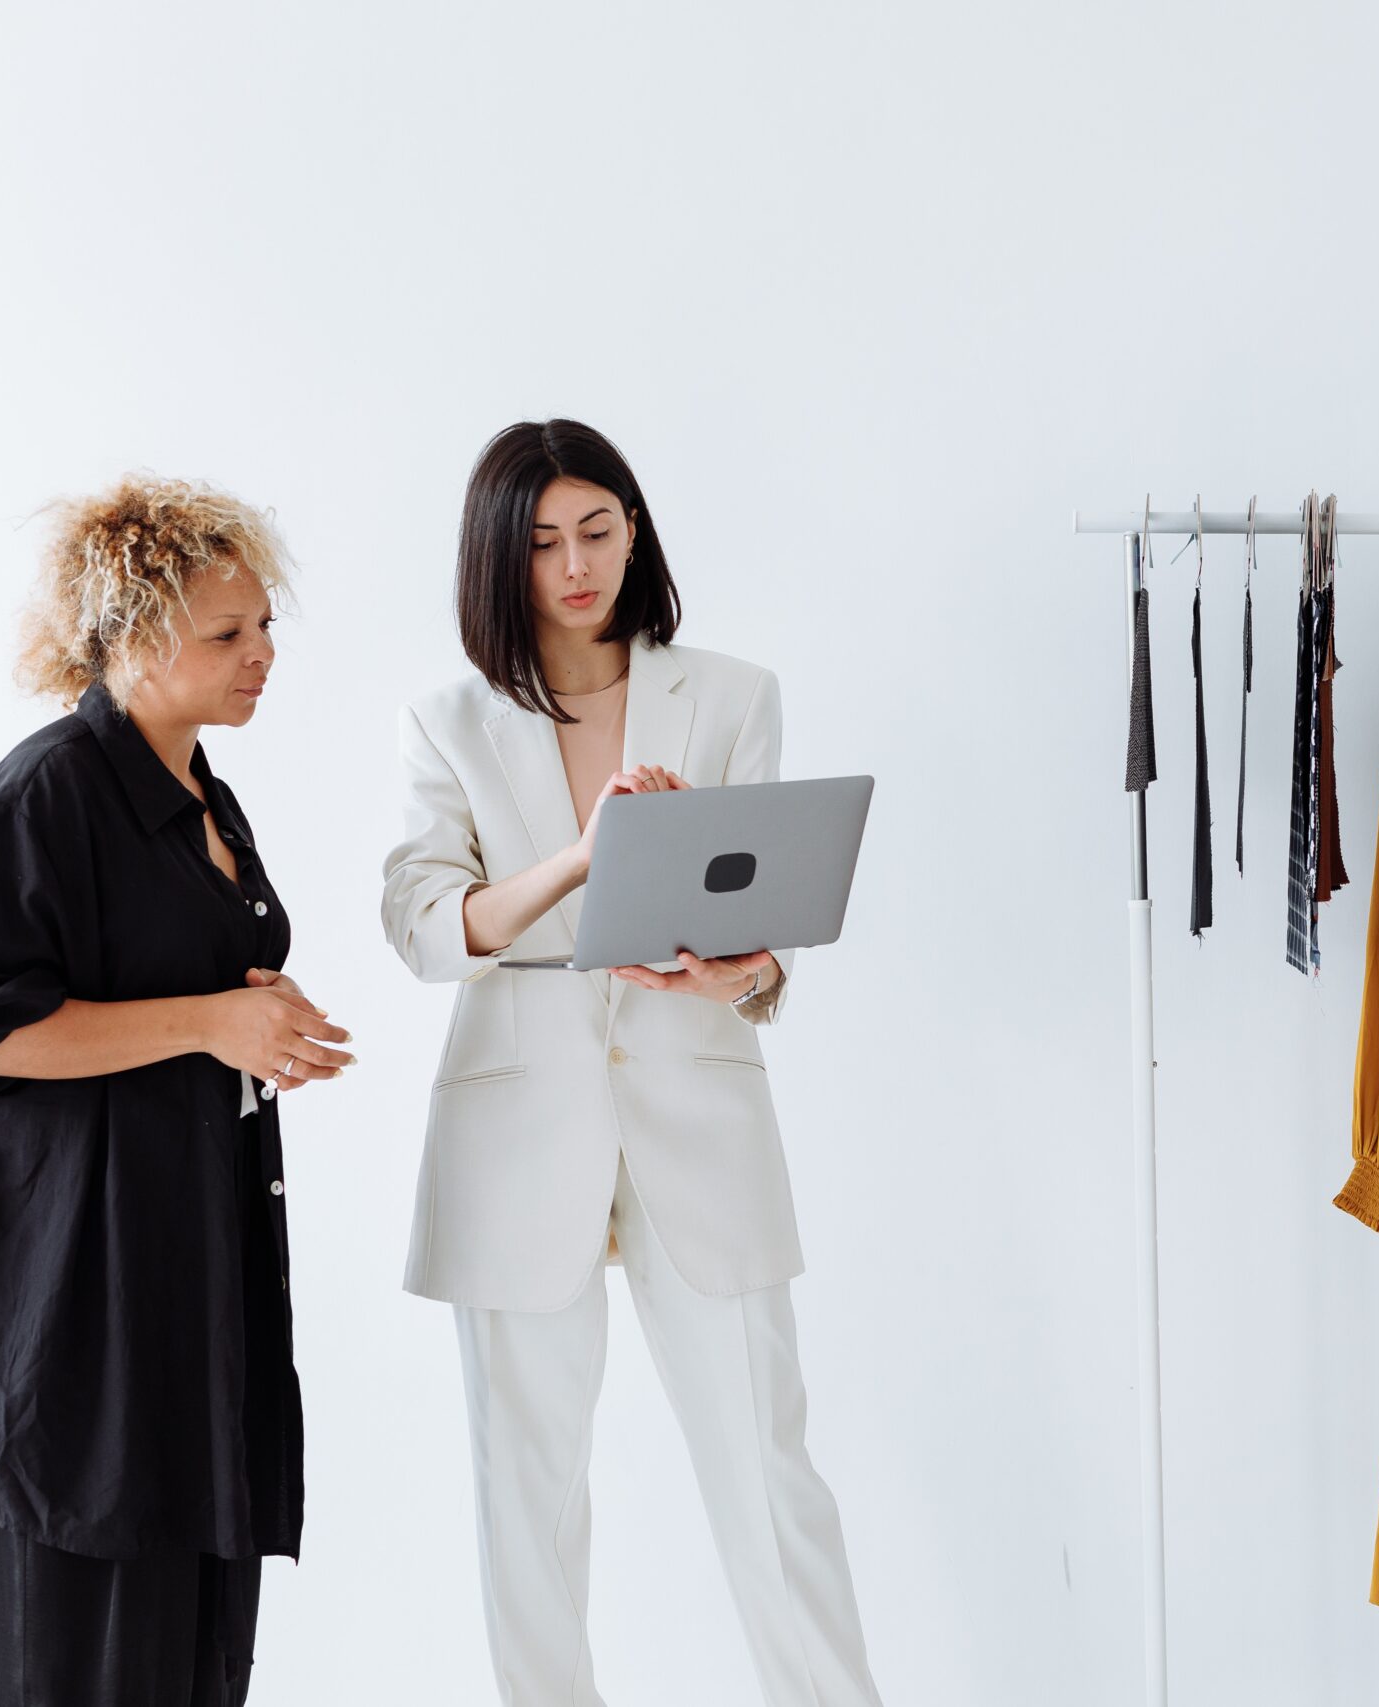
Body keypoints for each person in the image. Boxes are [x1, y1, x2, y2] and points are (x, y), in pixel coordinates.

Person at [382, 419, 882, 1706]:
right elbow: (427, 926)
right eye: (542, 541)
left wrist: (745, 970)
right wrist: (588, 853)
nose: (575, 564)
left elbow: (766, 916)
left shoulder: (729, 694)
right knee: (527, 1493)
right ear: (499, 559)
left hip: (695, 1098)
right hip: (514, 1123)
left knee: (768, 1477)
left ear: (635, 528)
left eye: (598, 529)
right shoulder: (448, 721)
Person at [0, 476, 352, 1705]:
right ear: (136, 636)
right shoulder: (44, 795)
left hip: (188, 1287)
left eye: (265, 628)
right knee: (82, 1662)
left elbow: (161, 989)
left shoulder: (203, 795)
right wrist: (211, 1017)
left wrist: (255, 1015)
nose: (262, 655)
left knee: (190, 1657)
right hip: (74, 1314)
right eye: (226, 634)